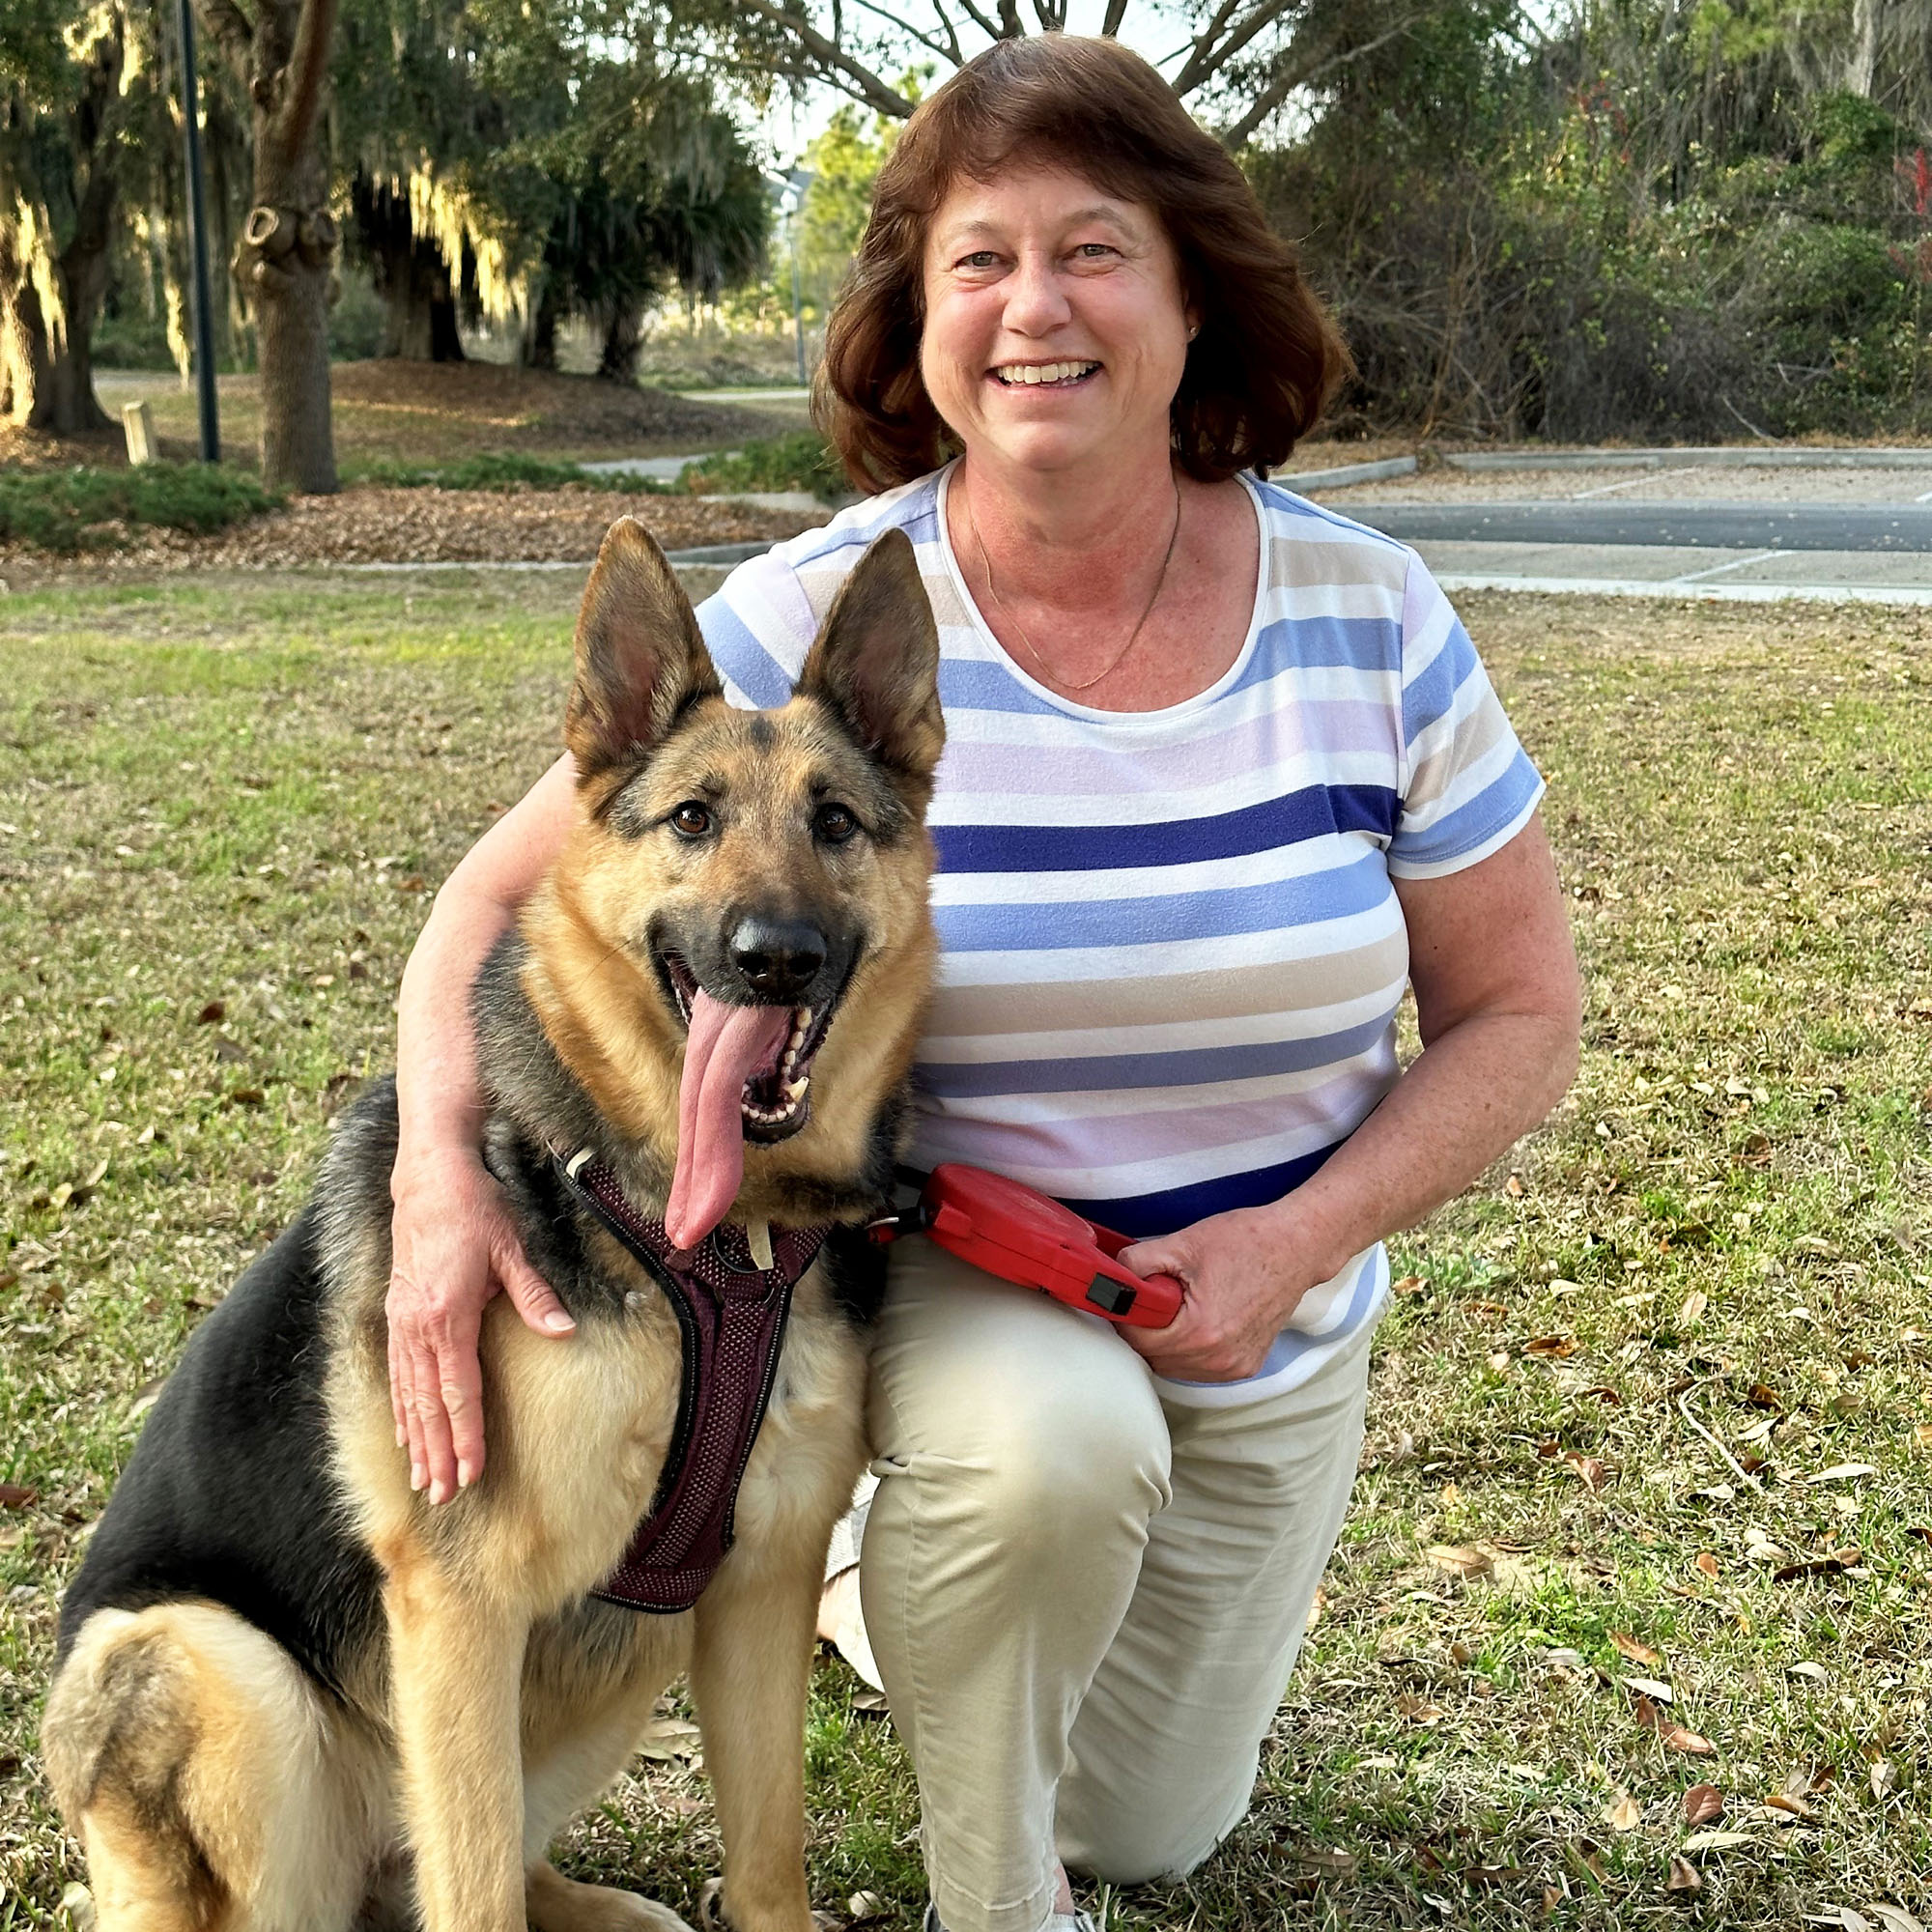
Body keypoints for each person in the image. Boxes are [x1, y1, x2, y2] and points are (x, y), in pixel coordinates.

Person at [385, 34, 1582, 1932]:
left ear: (1195, 303)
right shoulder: (821, 609)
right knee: (1042, 1468)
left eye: (1095, 249)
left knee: (1151, 1823)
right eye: (979, 260)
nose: (1038, 306)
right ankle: (948, 1628)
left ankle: (879, 1573)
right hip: (965, 1284)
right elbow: (489, 907)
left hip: (1265, 1310)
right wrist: (438, 1184)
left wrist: (1292, 1241)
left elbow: (1522, 1017)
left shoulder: (1372, 615)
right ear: (916, 326)